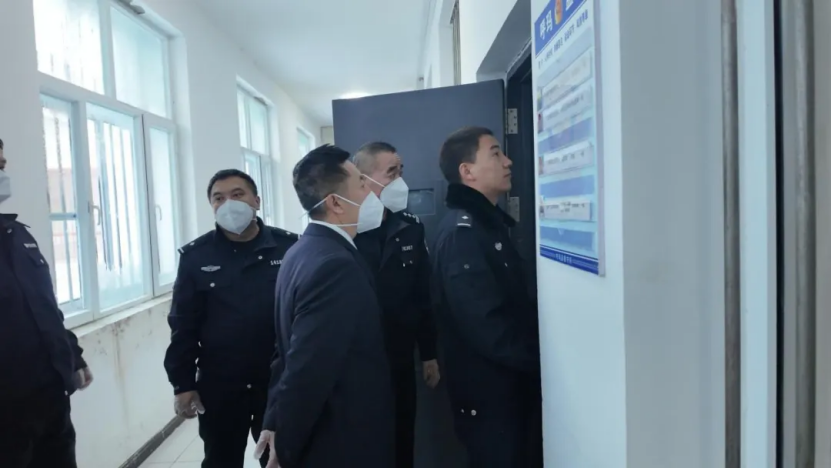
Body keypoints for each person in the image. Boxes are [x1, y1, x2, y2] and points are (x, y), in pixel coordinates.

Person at [255, 145, 394, 468]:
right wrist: (285, 447)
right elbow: (307, 368)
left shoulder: (302, 250)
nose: (371, 191)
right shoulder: (334, 265)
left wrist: (274, 418)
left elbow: (286, 352)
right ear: (335, 203)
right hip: (341, 437)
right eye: (361, 183)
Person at [163, 169, 298, 468]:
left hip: (277, 382)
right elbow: (183, 325)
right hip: (221, 384)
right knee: (220, 460)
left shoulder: (290, 248)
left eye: (237, 195)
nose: (228, 204)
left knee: (282, 460)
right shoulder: (196, 257)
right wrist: (182, 383)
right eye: (219, 198)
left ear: (257, 201)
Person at [431, 127, 542, 467]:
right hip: (491, 395)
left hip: (509, 390)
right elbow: (486, 324)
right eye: (495, 153)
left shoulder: (488, 225)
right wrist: (542, 360)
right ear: (467, 171)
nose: (508, 162)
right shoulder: (462, 233)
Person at [0, 138, 93, 468]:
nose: (3, 174)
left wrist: (73, 356)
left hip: (50, 398)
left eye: (2, 165)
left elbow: (45, 308)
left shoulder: (17, 235)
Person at [352, 141, 439, 468]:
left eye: (401, 171)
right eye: (391, 172)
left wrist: (429, 352)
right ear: (363, 179)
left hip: (400, 356)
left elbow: (422, 293)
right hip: (357, 362)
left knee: (403, 439)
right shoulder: (346, 228)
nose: (400, 180)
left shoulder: (410, 227)